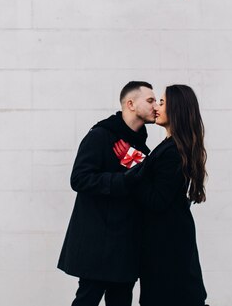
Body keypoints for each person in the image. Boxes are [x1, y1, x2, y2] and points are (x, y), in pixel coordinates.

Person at [58, 81, 158, 306]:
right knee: (87, 299)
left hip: (127, 246)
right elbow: (79, 178)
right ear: (130, 104)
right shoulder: (101, 135)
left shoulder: (142, 148)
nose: (156, 106)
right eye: (150, 100)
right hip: (99, 244)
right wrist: (123, 180)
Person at [113, 84, 208, 306]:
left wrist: (130, 165)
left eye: (162, 103)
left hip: (168, 247)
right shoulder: (171, 146)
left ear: (176, 109)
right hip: (167, 242)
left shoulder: (173, 151)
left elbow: (156, 200)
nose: (156, 107)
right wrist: (136, 162)